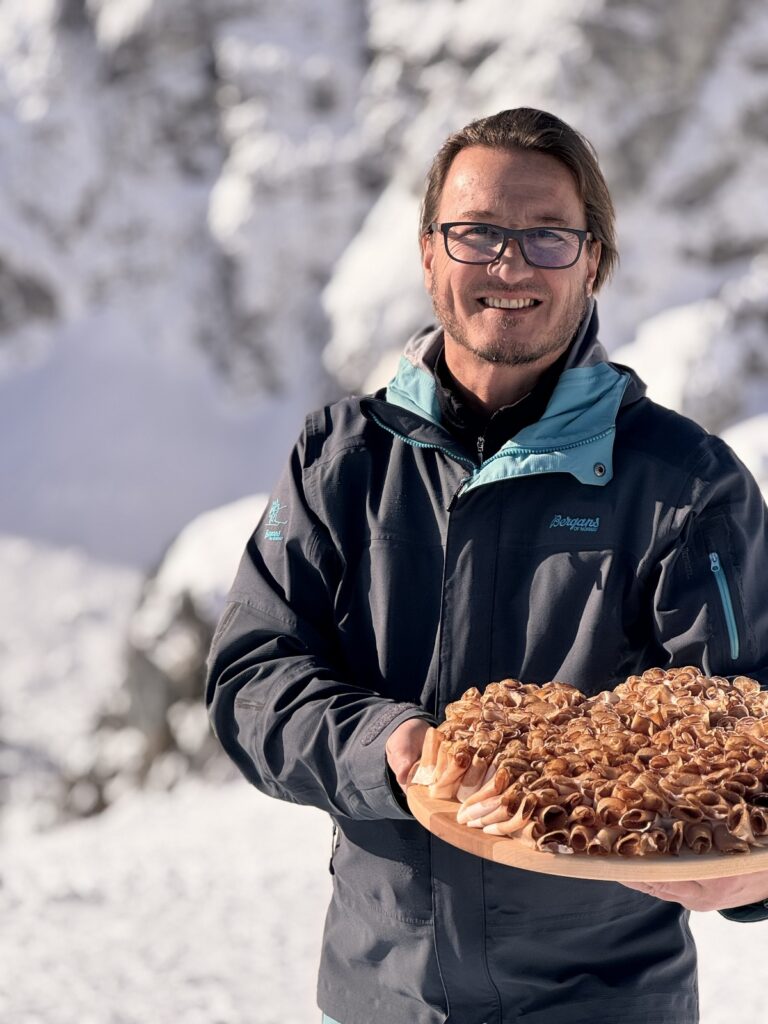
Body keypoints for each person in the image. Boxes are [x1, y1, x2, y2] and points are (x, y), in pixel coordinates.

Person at [205, 107, 768, 1024]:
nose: (510, 265)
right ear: (430, 254)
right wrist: (386, 745)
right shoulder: (341, 459)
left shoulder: (687, 485)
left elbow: (746, 717)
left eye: (548, 236)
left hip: (603, 1003)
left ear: (594, 262)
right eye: (477, 233)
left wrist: (749, 875)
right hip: (380, 997)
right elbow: (253, 676)